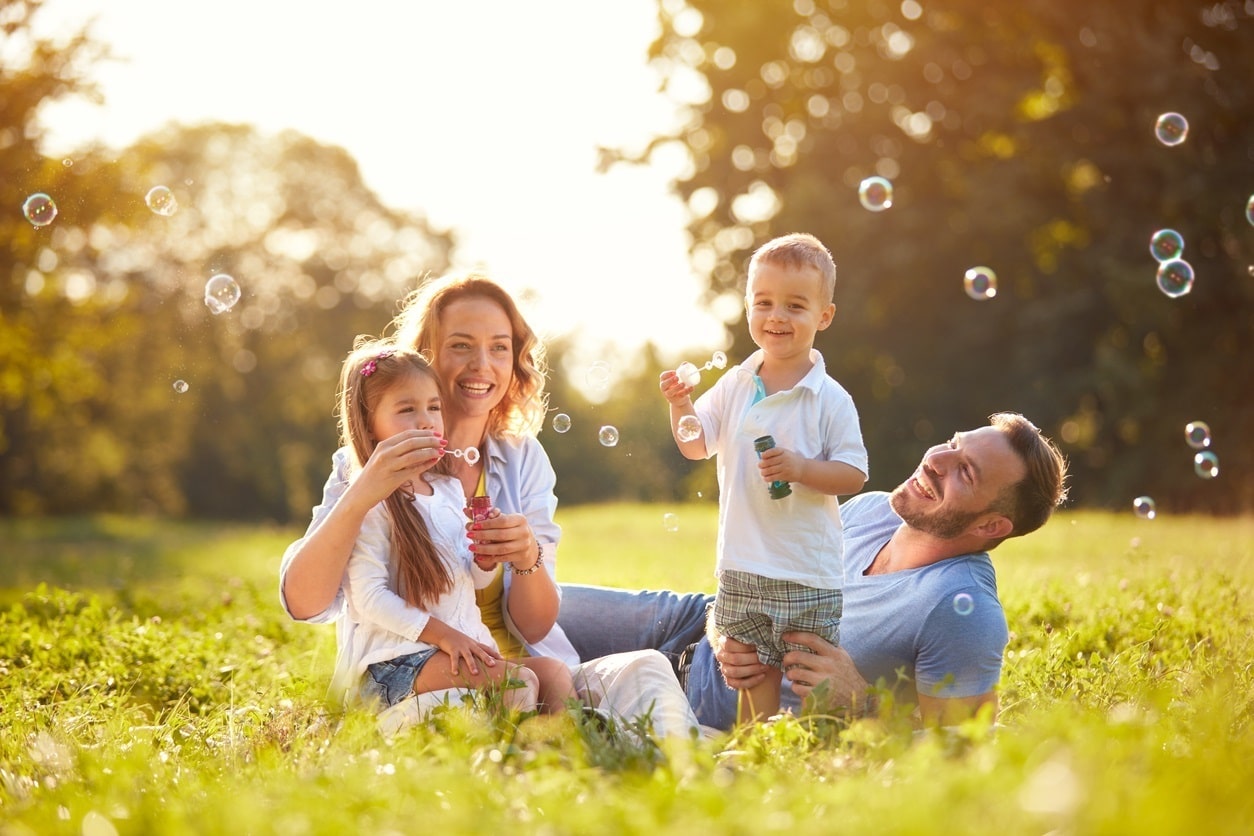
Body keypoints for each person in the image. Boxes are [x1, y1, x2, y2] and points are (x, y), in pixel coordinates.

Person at [280, 272, 699, 737]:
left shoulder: (521, 459)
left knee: (646, 668)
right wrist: (361, 493)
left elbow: (536, 626)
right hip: (421, 677)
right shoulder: (367, 464)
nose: (483, 365)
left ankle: (690, 769)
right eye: (461, 345)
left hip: (520, 667)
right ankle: (583, 749)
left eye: (500, 347)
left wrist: (525, 558)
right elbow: (304, 603)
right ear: (425, 358)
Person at [557, 412, 1069, 730]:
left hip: (712, 698)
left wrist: (863, 704)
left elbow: (963, 756)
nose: (937, 458)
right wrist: (722, 625)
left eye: (966, 471)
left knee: (535, 686)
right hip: (694, 621)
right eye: (954, 443)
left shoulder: (964, 611)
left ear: (992, 525)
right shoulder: (873, 510)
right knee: (523, 602)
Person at [659, 232, 868, 723]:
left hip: (806, 569)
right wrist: (680, 405)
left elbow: (854, 473)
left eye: (795, 306)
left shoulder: (829, 398)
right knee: (751, 672)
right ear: (749, 307)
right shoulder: (735, 383)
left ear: (824, 316)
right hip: (743, 563)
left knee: (810, 672)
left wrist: (802, 469)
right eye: (764, 302)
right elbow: (694, 443)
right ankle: (758, 752)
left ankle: (826, 747)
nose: (777, 316)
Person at [331, 340, 576, 714]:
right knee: (518, 681)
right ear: (369, 423)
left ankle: (562, 759)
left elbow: (472, 581)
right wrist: (444, 635)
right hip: (393, 663)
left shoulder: (447, 489)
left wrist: (485, 556)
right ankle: (513, 763)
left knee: (554, 674)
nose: (426, 420)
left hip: (450, 650)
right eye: (407, 409)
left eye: (433, 407)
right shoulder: (368, 499)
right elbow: (368, 597)